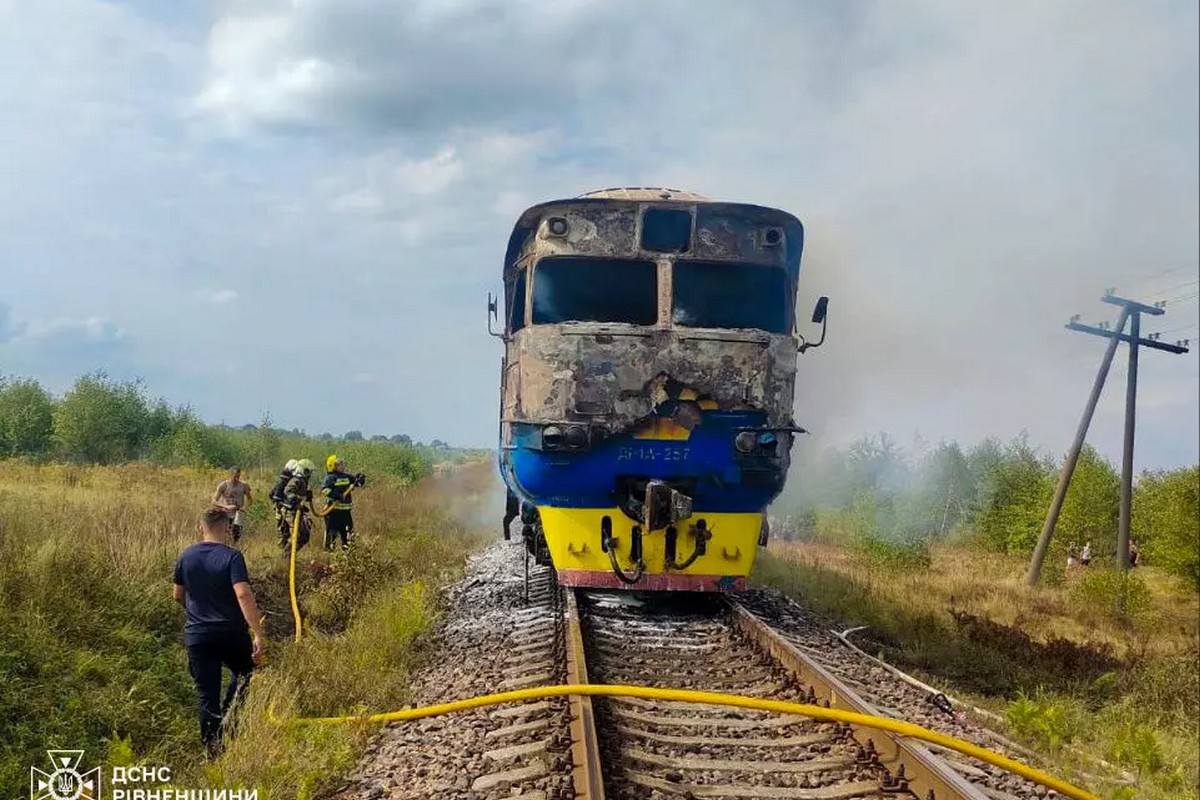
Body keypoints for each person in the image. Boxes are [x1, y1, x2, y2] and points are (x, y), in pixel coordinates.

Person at [173, 507, 266, 759]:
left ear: (200, 527)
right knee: (245, 672)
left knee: (206, 693)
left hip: (198, 635)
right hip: (230, 631)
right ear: (226, 528)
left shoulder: (185, 556)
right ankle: (232, 719)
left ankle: (213, 751)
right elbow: (243, 594)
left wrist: (196, 615)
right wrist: (257, 632)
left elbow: (177, 595)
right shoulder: (232, 557)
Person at [321, 455, 366, 551]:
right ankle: (328, 552)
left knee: (348, 533)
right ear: (333, 466)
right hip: (333, 511)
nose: (342, 466)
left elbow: (357, 483)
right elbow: (325, 490)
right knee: (332, 533)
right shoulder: (330, 478)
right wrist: (336, 495)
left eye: (342, 464)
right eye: (340, 464)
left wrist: (360, 479)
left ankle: (348, 553)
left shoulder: (347, 476)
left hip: (346, 512)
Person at [279, 458, 315, 554]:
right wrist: (297, 499)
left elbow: (300, 494)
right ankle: (286, 555)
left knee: (304, 535)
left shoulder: (303, 481)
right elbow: (288, 491)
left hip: (297, 510)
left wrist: (307, 495)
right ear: (304, 471)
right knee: (297, 535)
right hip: (290, 511)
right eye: (309, 472)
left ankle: (290, 555)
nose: (310, 474)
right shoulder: (296, 480)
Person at [212, 467, 252, 543]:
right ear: (230, 475)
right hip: (226, 513)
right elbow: (214, 501)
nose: (237, 479)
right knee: (225, 534)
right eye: (235, 477)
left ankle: (234, 548)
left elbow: (250, 500)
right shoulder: (223, 485)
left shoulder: (244, 486)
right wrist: (226, 506)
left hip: (238, 514)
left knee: (236, 535)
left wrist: (244, 508)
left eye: (238, 476)